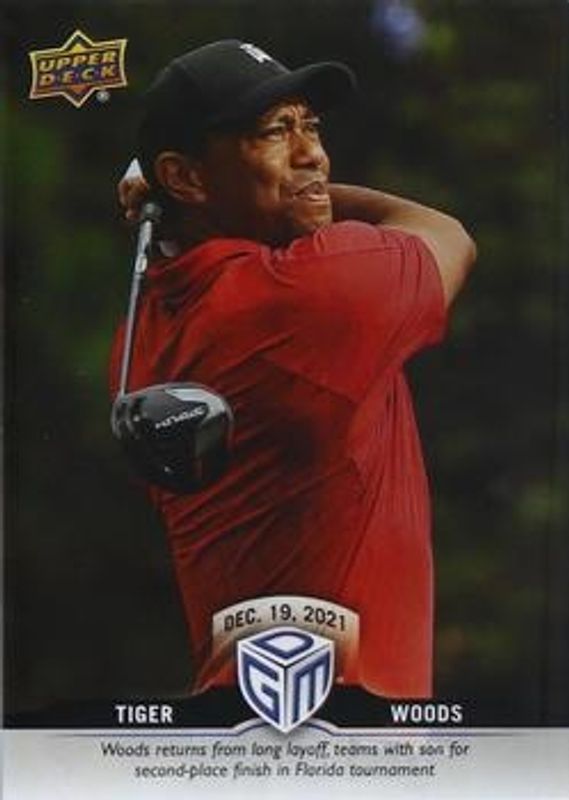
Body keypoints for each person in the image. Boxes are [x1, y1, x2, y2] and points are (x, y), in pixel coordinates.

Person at [111, 39, 475, 701]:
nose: (312, 154)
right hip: (335, 731)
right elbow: (446, 234)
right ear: (186, 177)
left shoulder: (145, 328)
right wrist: (313, 194)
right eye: (274, 132)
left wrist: (178, 199)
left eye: (310, 126)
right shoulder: (302, 294)